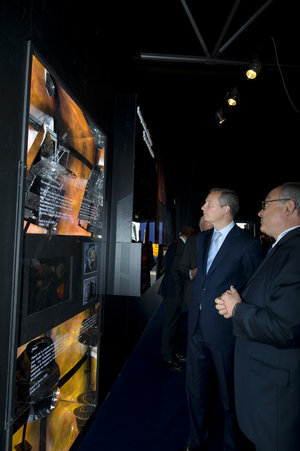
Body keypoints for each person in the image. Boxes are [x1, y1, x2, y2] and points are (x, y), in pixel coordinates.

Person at [215, 182, 300, 451]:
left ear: (289, 207)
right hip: (264, 388)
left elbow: (285, 327)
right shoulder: (282, 247)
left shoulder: (295, 253)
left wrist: (238, 309)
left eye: (266, 204)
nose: (260, 213)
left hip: (276, 397)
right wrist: (235, 305)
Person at [181, 188, 263, 451]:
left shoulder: (248, 244)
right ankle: (196, 440)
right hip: (196, 329)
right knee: (195, 391)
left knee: (230, 396)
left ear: (226, 209)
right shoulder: (201, 240)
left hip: (226, 332)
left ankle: (232, 445)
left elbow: (254, 286)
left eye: (209, 203)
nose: (203, 207)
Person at [159, 225, 195, 371]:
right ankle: (168, 357)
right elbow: (176, 271)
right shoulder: (181, 247)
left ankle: (173, 353)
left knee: (172, 323)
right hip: (174, 292)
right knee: (171, 324)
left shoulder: (175, 243)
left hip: (170, 291)